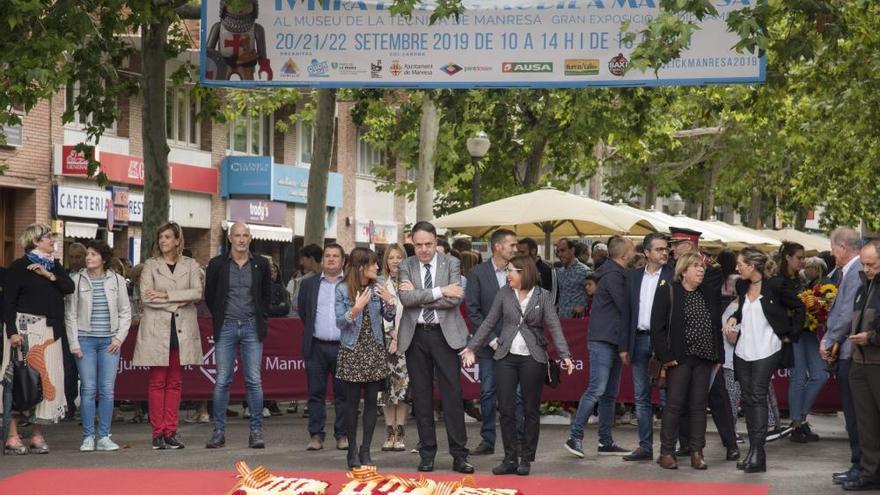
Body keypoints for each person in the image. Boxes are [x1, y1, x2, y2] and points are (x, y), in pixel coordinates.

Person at [462, 254, 573, 476]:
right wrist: (472, 347)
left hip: (533, 358)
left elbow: (554, 327)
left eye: (511, 270)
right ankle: (510, 458)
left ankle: (526, 458)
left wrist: (565, 355)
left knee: (531, 409)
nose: (507, 274)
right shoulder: (504, 294)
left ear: (524, 273)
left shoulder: (544, 296)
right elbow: (489, 322)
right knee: (506, 409)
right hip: (506, 357)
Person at [397, 221, 473, 474]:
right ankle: (427, 453)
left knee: (452, 395)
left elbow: (454, 299)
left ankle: (459, 455)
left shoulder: (451, 262)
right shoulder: (406, 264)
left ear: (436, 242)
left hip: (445, 335)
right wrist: (439, 290)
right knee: (421, 397)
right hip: (415, 336)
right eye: (418, 245)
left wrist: (421, 297)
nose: (423, 250)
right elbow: (406, 300)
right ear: (412, 243)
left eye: (428, 244)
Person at [723, 248, 804, 473]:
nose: (737, 268)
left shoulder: (776, 285)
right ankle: (754, 452)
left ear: (752, 265)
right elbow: (742, 310)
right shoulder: (741, 285)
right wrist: (732, 317)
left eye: (740, 264)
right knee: (748, 400)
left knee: (757, 396)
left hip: (767, 348)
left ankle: (758, 453)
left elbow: (800, 307)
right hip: (743, 349)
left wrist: (791, 334)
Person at [1, 224, 75, 454]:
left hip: (50, 331)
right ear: (35, 241)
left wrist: (49, 275)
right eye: (48, 237)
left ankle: (36, 434)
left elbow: (69, 287)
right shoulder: (18, 267)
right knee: (19, 380)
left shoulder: (54, 266)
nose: (52, 240)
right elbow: (8, 303)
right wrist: (12, 331)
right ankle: (12, 436)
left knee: (46, 383)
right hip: (23, 329)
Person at [666, 227, 738, 461]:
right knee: (685, 396)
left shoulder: (711, 270)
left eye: (677, 245)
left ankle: (730, 443)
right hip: (684, 346)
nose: (672, 249)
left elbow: (709, 299)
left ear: (690, 245)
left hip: (707, 347)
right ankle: (687, 444)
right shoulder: (672, 269)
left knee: (716, 397)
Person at [134, 222, 204, 450]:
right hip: (158, 330)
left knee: (174, 382)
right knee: (157, 382)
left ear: (177, 240)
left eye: (167, 237)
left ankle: (171, 431)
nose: (163, 240)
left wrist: (166, 294)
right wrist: (178, 302)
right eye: (160, 237)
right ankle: (158, 433)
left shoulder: (191, 264)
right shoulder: (150, 266)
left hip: (181, 330)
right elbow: (146, 298)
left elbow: (197, 292)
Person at [651, 251, 723, 470]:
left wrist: (719, 355)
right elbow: (657, 328)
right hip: (678, 359)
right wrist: (666, 356)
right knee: (674, 405)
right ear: (683, 271)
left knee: (699, 406)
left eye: (702, 266)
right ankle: (666, 452)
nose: (701, 269)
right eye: (695, 266)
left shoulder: (708, 293)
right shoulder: (668, 291)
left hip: (704, 358)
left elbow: (715, 325)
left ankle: (697, 452)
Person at [565, 236, 635, 458]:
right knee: (597, 389)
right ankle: (574, 437)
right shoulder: (614, 275)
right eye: (632, 248)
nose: (636, 251)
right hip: (604, 339)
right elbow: (625, 305)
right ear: (624, 254)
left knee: (607, 393)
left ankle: (605, 441)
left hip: (610, 338)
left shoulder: (612, 272)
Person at [204, 223, 270, 449]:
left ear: (250, 238)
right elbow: (211, 296)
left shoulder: (261, 264)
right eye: (237, 235)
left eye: (245, 235)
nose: (241, 239)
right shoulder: (217, 264)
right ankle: (218, 432)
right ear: (230, 238)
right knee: (223, 380)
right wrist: (222, 317)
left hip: (252, 326)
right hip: (227, 326)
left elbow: (266, 296)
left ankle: (256, 431)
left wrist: (260, 317)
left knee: (254, 380)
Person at [65, 240, 132, 452]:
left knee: (107, 390)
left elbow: (125, 312)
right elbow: (70, 315)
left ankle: (104, 436)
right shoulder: (76, 280)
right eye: (88, 254)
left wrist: (119, 338)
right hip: (85, 341)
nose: (88, 258)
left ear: (103, 258)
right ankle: (87, 436)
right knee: (88, 389)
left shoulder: (118, 281)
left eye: (93, 254)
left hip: (109, 342)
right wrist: (74, 343)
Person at [334, 247, 396, 468]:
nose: (378, 267)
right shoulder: (342, 290)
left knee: (372, 402)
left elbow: (389, 316)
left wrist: (390, 302)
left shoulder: (378, 285)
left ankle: (366, 449)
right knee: (351, 403)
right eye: (373, 264)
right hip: (352, 350)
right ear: (361, 267)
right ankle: (352, 449)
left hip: (375, 348)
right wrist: (355, 309)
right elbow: (339, 323)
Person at [466, 228, 519, 456]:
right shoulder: (478, 274)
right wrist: (491, 340)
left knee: (516, 395)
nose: (515, 249)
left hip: (516, 344)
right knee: (488, 393)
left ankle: (516, 439)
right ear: (497, 247)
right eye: (511, 245)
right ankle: (488, 439)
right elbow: (473, 311)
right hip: (489, 347)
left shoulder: (519, 271)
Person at [619, 233, 672, 462]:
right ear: (647, 253)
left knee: (667, 394)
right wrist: (623, 346)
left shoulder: (673, 275)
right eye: (659, 249)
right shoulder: (632, 277)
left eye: (666, 249)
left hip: (664, 341)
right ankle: (645, 446)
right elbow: (626, 313)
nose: (664, 252)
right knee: (641, 396)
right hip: (639, 339)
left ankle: (669, 447)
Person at [821, 227, 865, 485]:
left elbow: (847, 312)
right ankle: (857, 464)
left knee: (856, 417)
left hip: (851, 352)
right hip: (848, 351)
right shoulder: (848, 271)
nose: (831, 252)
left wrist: (830, 338)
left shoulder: (855, 271)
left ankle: (861, 466)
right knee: (852, 416)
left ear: (843, 248)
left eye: (833, 247)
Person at [776, 242, 829, 443]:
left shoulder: (799, 279)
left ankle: (799, 418)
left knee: (820, 375)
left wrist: (816, 308)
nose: (803, 261)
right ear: (787, 258)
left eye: (803, 257)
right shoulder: (780, 280)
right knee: (798, 377)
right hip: (793, 334)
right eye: (799, 257)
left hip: (807, 332)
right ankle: (797, 423)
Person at [298, 243, 348, 451]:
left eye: (336, 256)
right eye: (327, 255)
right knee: (315, 393)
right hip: (316, 345)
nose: (331, 259)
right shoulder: (308, 284)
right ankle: (316, 435)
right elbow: (303, 313)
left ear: (342, 261)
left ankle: (342, 435)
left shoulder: (350, 283)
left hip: (344, 346)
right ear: (322, 259)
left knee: (343, 394)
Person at [844, 240, 880, 491]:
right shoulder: (863, 285)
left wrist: (872, 337)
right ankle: (870, 473)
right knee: (866, 424)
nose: (866, 269)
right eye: (864, 264)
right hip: (859, 360)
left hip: (876, 359)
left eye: (872, 264)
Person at [379, 243, 409, 452]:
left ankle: (400, 433)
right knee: (386, 391)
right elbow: (380, 313)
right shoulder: (380, 285)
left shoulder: (410, 284)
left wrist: (399, 337)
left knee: (402, 390)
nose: (395, 261)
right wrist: (391, 334)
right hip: (384, 343)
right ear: (386, 262)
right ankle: (389, 432)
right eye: (391, 257)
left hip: (407, 343)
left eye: (399, 257)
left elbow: (411, 312)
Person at [62, 241, 87, 421]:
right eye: (71, 257)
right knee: (68, 370)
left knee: (86, 371)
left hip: (86, 328)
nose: (74, 261)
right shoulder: (62, 275)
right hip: (66, 328)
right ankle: (69, 405)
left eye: (78, 257)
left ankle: (87, 407)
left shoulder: (89, 276)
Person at [555, 238, 590, 318]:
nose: (560, 255)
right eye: (558, 252)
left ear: (572, 250)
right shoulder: (560, 272)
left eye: (563, 250)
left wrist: (583, 307)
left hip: (577, 322)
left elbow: (594, 296)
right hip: (561, 320)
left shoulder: (585, 271)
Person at [288, 244, 323, 319]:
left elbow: (296, 305)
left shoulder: (305, 281)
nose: (301, 263)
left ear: (311, 259)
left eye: (303, 259)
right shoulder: (304, 280)